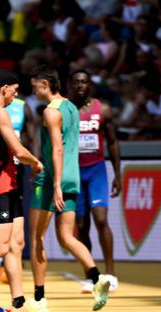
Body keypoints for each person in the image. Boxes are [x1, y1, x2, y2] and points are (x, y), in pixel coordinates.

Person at [28, 66, 110, 312]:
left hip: (53, 179)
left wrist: (55, 185)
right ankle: (97, 277)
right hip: (72, 177)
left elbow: (57, 149)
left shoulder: (51, 112)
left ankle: (39, 297)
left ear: (45, 84)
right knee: (67, 237)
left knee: (36, 237)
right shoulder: (72, 108)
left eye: (35, 86)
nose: (34, 90)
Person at [0, 70, 44, 312]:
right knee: (2, 246)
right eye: (14, 90)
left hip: (10, 183)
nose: (16, 94)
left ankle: (18, 303)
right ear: (4, 89)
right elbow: (18, 149)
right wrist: (37, 163)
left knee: (17, 244)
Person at [70, 69, 122, 292]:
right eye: (76, 82)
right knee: (81, 227)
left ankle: (110, 274)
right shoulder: (66, 111)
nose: (81, 85)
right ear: (71, 86)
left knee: (101, 220)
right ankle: (91, 276)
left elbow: (112, 143)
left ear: (90, 85)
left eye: (84, 81)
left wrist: (118, 174)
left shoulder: (104, 110)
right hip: (75, 173)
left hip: (97, 170)